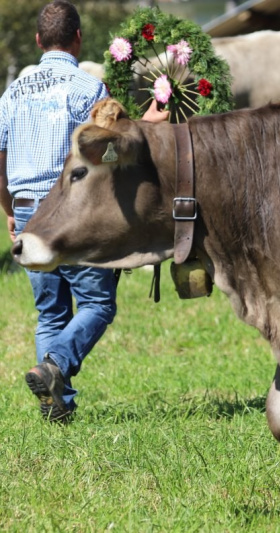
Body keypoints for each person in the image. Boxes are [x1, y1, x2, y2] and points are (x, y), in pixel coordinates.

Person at [0, 0, 168, 423]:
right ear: (78, 39)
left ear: (39, 41)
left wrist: (10, 210)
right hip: (70, 211)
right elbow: (107, 152)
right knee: (97, 302)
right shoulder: (88, 89)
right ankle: (54, 367)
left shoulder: (11, 94)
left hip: (25, 210)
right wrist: (144, 126)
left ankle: (56, 406)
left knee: (50, 311)